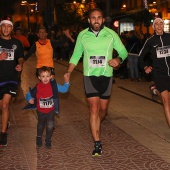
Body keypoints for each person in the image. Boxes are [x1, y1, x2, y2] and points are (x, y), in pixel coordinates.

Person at [64, 8, 128, 156]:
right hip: (89, 76)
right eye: (93, 18)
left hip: (106, 76)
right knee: (93, 108)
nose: (96, 20)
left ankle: (97, 123)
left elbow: (123, 52)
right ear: (89, 20)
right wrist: (68, 72)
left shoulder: (111, 34)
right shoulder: (82, 35)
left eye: (99, 17)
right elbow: (76, 55)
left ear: (103, 19)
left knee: (102, 110)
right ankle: (97, 143)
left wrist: (118, 60)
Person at [25, 66, 70, 148]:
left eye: (47, 76)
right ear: (39, 77)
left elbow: (64, 90)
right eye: (43, 76)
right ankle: (39, 137)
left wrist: (66, 82)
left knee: (50, 125)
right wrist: (29, 99)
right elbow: (29, 94)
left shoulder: (54, 85)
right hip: (41, 111)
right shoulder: (38, 87)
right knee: (41, 124)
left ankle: (48, 139)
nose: (45, 78)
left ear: (51, 76)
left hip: (51, 110)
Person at [139, 17, 170, 126]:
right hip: (159, 73)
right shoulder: (150, 41)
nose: (159, 26)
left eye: (161, 23)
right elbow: (140, 57)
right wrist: (145, 67)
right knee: (166, 101)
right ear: (154, 27)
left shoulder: (169, 37)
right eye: (157, 24)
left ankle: (154, 90)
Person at [0, 16, 24, 146]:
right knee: (1, 107)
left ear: (12, 28)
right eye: (4, 26)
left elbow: (20, 57)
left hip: (11, 78)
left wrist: (20, 64)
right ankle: (6, 120)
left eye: (8, 26)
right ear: (0, 27)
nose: (6, 28)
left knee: (5, 105)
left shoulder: (17, 43)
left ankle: (3, 134)